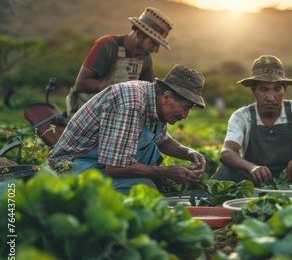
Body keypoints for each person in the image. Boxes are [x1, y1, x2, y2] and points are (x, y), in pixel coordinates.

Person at [47, 64, 207, 195]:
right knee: (144, 190)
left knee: (150, 150)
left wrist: (189, 153)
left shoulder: (155, 101)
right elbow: (115, 167)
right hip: (74, 164)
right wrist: (166, 172)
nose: (185, 116)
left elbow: (162, 139)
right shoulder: (130, 102)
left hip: (103, 160)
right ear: (167, 97)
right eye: (185, 108)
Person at [210, 55, 292, 187]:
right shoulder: (241, 116)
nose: (271, 97)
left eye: (277, 89)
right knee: (225, 172)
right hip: (254, 182)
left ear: (285, 89)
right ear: (253, 90)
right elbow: (227, 152)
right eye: (264, 90)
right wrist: (251, 168)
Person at [65, 7, 173, 118]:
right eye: (153, 43)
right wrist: (117, 89)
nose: (156, 50)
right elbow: (81, 84)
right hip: (85, 111)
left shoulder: (146, 59)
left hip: (115, 115)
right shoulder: (107, 45)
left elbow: (149, 93)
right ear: (140, 34)